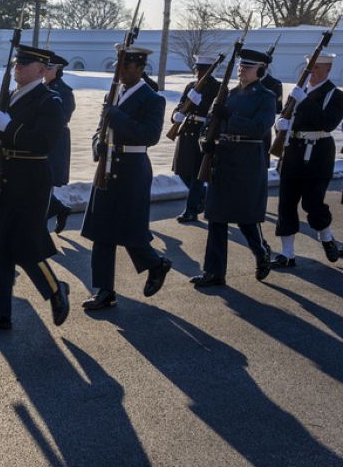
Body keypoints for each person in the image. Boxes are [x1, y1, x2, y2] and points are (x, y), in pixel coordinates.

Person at [0, 45, 71, 333]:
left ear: (41, 70)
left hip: (30, 179)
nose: (19, 68)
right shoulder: (5, 99)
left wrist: (11, 127)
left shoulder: (49, 101)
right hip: (1, 177)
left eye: (26, 64)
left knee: (25, 245)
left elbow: (44, 142)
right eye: (17, 63)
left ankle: (55, 289)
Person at [80, 47, 172, 310]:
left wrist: (117, 116)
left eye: (125, 66)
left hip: (132, 167)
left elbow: (150, 135)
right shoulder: (115, 91)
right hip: (108, 166)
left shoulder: (152, 98)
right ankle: (104, 290)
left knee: (130, 229)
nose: (118, 71)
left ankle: (156, 264)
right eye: (118, 66)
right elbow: (102, 126)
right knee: (102, 231)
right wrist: (98, 142)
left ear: (139, 68)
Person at [193, 48, 277, 288]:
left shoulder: (266, 97)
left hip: (248, 160)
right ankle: (214, 271)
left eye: (248, 67)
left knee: (246, 217)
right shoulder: (229, 94)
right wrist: (205, 141)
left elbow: (260, 127)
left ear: (260, 70)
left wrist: (230, 117)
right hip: (224, 158)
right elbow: (210, 122)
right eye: (241, 66)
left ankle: (261, 252)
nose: (242, 70)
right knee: (216, 217)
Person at [272, 53, 343, 267]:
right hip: (293, 150)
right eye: (310, 68)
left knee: (312, 202)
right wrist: (280, 125)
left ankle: (327, 236)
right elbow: (285, 117)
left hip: (318, 152)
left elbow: (328, 123)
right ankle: (287, 254)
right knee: (286, 202)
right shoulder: (298, 91)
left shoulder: (335, 95)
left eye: (318, 68)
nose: (312, 72)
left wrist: (305, 102)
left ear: (328, 69)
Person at [171, 55, 221, 223]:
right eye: (197, 69)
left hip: (203, 133)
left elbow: (218, 113)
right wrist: (176, 115)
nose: (198, 72)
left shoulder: (218, 87)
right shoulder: (190, 86)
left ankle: (191, 210)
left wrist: (201, 105)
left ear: (209, 70)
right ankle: (204, 197)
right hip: (186, 131)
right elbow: (180, 104)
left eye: (202, 70)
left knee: (196, 175)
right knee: (182, 171)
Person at [44, 55, 75, 233]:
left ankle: (41, 228)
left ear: (57, 70)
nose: (45, 71)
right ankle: (59, 209)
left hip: (55, 142)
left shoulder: (64, 92)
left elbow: (63, 117)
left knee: (46, 181)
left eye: (49, 68)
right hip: (41, 139)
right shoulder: (41, 88)